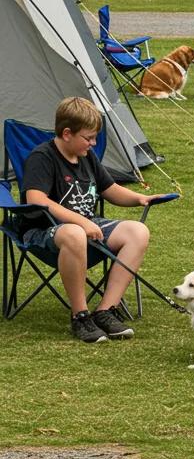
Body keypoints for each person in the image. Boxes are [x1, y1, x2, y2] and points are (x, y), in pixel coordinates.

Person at [21, 97, 160, 343]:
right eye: (88, 138)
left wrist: (141, 198)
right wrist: (81, 222)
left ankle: (106, 310)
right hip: (44, 231)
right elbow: (36, 198)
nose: (93, 143)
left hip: (88, 225)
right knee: (74, 232)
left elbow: (110, 189)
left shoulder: (86, 156)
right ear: (67, 134)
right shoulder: (42, 157)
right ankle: (80, 316)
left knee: (138, 232)